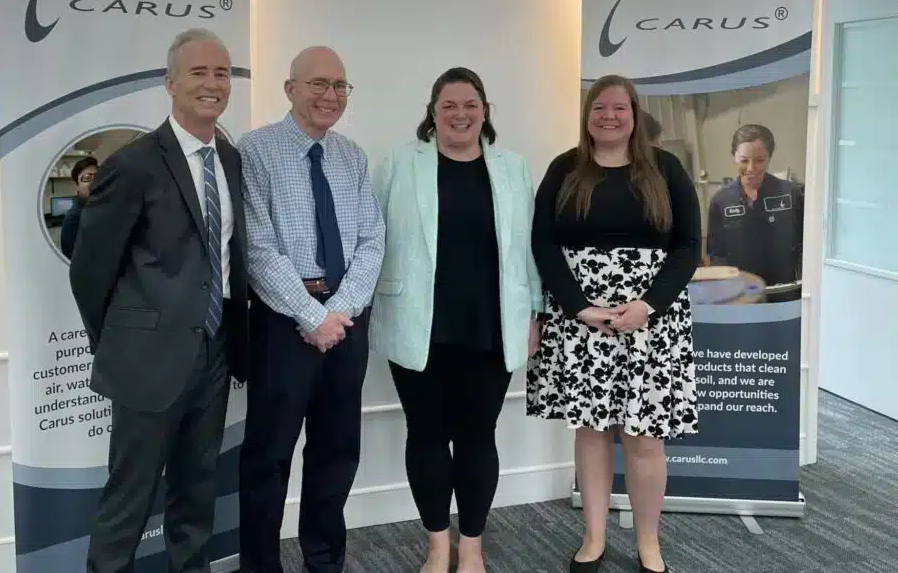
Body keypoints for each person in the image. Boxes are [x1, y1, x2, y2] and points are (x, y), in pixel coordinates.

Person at [68, 28, 250, 573]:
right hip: (147, 360)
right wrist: (126, 343)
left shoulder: (231, 158)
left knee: (196, 492)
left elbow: (229, 257)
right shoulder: (133, 164)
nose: (212, 84)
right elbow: (89, 272)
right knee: (129, 498)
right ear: (170, 83)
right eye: (199, 72)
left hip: (214, 354)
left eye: (222, 73)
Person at [370, 67, 544, 573]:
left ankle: (471, 545)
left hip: (491, 326)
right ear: (433, 112)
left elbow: (527, 247)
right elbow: (372, 238)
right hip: (419, 323)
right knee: (425, 433)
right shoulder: (401, 163)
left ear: (485, 110)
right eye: (449, 106)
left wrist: (535, 310)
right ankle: (436, 544)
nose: (460, 114)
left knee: (477, 435)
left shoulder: (512, 168)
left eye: (470, 105)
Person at [526, 74, 701, 573]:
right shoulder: (565, 169)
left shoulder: (665, 168)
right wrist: (579, 305)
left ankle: (649, 544)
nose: (608, 116)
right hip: (582, 320)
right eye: (599, 107)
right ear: (587, 114)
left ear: (634, 113)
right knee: (593, 431)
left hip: (651, 319)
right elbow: (543, 243)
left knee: (645, 437)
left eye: (619, 108)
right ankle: (595, 538)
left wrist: (648, 304)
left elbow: (688, 246)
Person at [236, 46, 385, 573]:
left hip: (344, 325)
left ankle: (325, 559)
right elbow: (257, 247)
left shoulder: (352, 156)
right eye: (319, 84)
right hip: (284, 323)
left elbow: (372, 240)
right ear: (290, 89)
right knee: (268, 457)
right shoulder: (253, 151)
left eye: (340, 86)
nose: (331, 95)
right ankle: (259, 565)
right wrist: (310, 314)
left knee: (336, 452)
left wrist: (338, 313)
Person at [706, 124, 804, 302]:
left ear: (769, 157)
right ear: (734, 156)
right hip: (741, 296)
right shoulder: (721, 201)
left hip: (785, 293)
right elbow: (716, 253)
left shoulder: (790, 194)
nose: (751, 168)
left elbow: (804, 245)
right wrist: (726, 287)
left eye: (759, 160)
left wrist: (803, 282)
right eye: (744, 160)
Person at [60, 155, 98, 258]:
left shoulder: (101, 208)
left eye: (98, 177)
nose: (94, 182)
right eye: (87, 178)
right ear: (77, 186)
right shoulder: (74, 218)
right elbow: (71, 257)